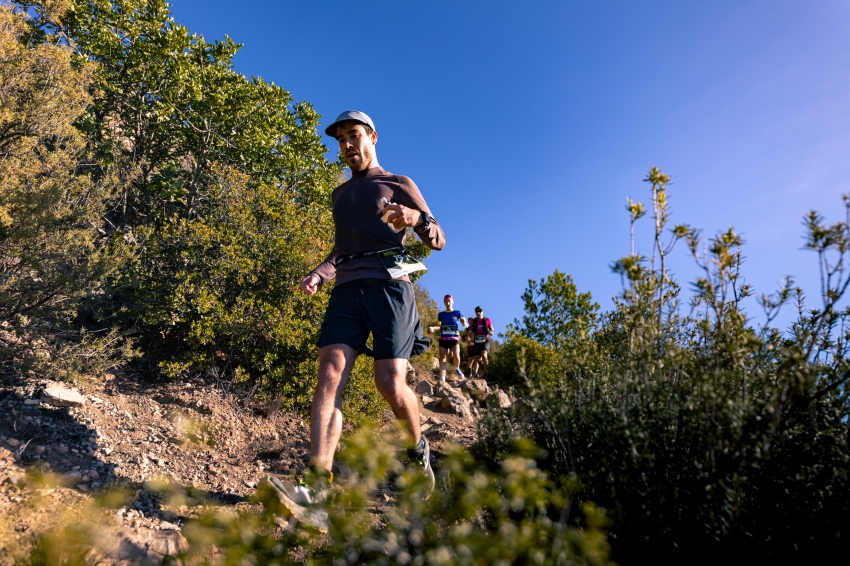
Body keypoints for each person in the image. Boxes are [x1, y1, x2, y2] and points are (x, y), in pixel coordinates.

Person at [282, 110, 445, 509]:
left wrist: (416, 217)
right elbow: (342, 249)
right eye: (341, 141)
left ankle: (416, 448)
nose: (347, 146)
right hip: (347, 288)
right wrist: (320, 275)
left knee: (390, 382)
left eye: (354, 136)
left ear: (372, 136)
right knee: (329, 374)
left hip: (391, 288)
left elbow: (438, 239)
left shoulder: (398, 183)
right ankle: (317, 486)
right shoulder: (340, 194)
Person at [428, 295, 466, 381]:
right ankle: (442, 377)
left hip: (454, 338)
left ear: (452, 302)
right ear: (444, 303)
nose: (448, 303)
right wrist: (433, 328)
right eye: (446, 302)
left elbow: (464, 322)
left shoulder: (457, 313)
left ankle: (457, 368)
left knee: (456, 354)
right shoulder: (441, 314)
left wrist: (464, 323)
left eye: (449, 301)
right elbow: (439, 325)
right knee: (442, 358)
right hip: (443, 339)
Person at [468, 306, 494, 375]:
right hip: (477, 340)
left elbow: (491, 328)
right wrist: (469, 333)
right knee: (476, 358)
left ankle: (488, 369)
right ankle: (477, 373)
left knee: (484, 354)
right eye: (477, 311)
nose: (478, 312)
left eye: (480, 311)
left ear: (483, 312)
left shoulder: (487, 320)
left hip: (485, 339)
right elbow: (470, 329)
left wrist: (491, 331)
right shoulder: (473, 321)